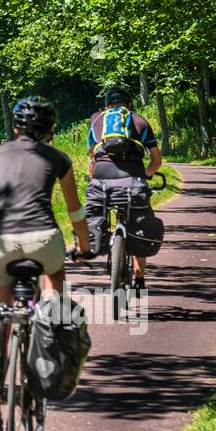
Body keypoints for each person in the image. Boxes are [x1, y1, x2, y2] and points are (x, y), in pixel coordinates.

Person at [0, 95, 91, 431]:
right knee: (54, 279)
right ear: (51, 130)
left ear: (16, 128)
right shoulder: (59, 159)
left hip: (2, 244)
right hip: (44, 241)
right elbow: (75, 213)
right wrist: (83, 248)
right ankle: (49, 320)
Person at [85, 85, 162, 290]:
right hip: (132, 181)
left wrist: (94, 179)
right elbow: (156, 161)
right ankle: (140, 278)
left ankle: (101, 242)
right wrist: (145, 175)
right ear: (129, 105)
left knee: (96, 213)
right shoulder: (140, 121)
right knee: (140, 224)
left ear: (106, 106)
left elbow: (91, 159)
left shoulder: (96, 120)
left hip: (101, 181)